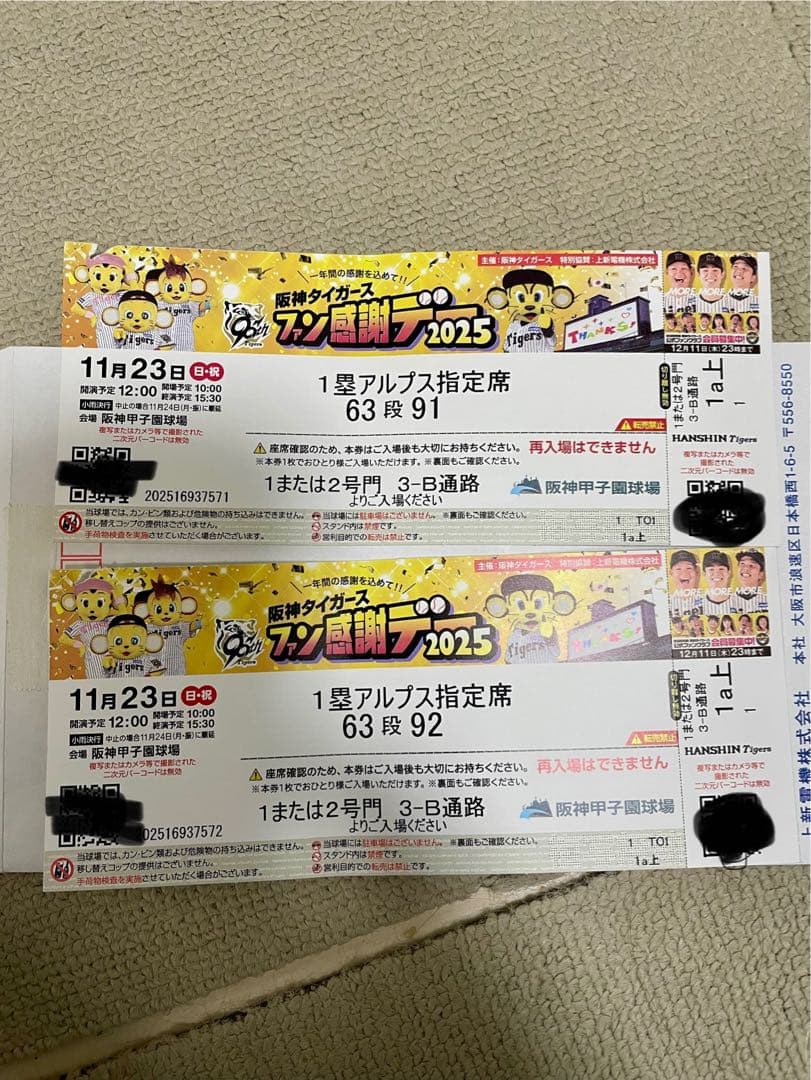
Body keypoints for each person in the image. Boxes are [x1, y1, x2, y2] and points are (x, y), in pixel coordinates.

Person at [669, 550, 703, 618]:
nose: (684, 573)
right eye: (678, 569)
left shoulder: (708, 601)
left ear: (696, 571)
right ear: (671, 572)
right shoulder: (666, 603)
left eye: (689, 568)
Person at [702, 549, 735, 617]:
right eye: (711, 569)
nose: (716, 573)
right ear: (704, 573)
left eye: (721, 569)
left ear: (729, 573)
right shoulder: (696, 605)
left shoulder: (740, 602)